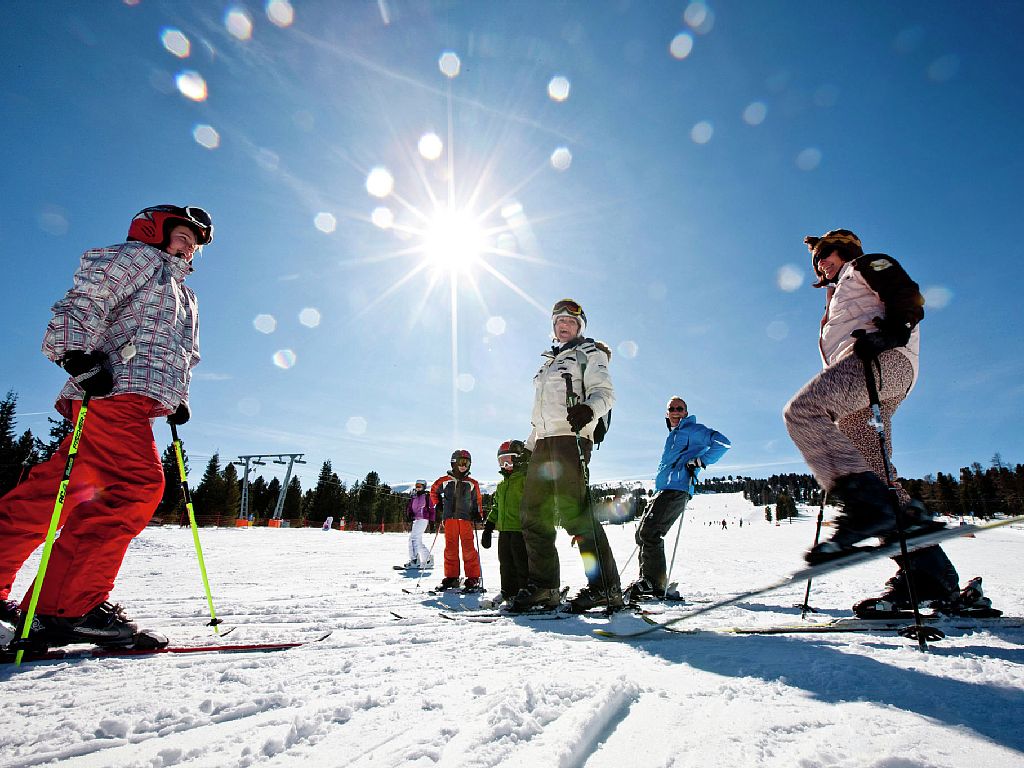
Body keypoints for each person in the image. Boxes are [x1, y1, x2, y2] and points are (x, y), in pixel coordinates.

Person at [0, 204, 213, 648]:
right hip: (112, 390)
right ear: (154, 229)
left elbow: (184, 355)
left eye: (194, 244)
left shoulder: (186, 296)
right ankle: (65, 607)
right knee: (133, 486)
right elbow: (86, 299)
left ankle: (47, 596)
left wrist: (179, 401)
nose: (188, 246)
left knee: (53, 492)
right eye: (182, 235)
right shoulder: (139, 260)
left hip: (130, 400)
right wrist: (73, 353)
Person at [783, 228, 995, 616]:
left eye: (825, 255)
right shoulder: (835, 297)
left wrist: (894, 331)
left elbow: (906, 293)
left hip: (881, 363)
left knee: (802, 413)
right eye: (816, 262)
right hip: (862, 381)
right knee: (877, 478)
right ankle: (930, 577)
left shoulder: (865, 265)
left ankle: (866, 508)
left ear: (842, 250)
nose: (821, 265)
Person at [510, 298, 619, 614]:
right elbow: (538, 417)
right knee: (533, 516)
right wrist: (528, 449)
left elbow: (605, 394)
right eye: (559, 321)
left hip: (571, 439)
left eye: (571, 321)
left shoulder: (589, 354)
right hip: (544, 444)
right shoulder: (546, 364)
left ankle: (605, 588)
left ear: (580, 326)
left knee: (576, 516)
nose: (564, 324)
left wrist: (589, 409)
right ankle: (544, 587)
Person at [624, 397, 730, 602]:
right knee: (642, 534)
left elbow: (723, 443)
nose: (675, 411)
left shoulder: (693, 429)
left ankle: (653, 584)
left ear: (686, 411)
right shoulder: (674, 435)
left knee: (651, 533)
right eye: (671, 408)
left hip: (677, 489)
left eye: (679, 408)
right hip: (664, 489)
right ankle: (648, 581)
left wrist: (701, 460)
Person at [481, 440, 530, 606]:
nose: (505, 465)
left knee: (521, 562)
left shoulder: (525, 480)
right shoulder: (502, 485)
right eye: (502, 461)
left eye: (509, 460)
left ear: (519, 459)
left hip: (520, 529)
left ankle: (524, 590)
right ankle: (507, 591)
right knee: (505, 562)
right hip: (505, 530)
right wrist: (488, 527)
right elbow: (496, 508)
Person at [430, 450, 484, 591]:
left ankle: (473, 577)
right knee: (450, 548)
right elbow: (433, 490)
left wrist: (478, 513)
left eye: (466, 463)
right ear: (454, 462)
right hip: (449, 519)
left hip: (465, 519)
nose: (463, 466)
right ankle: (452, 577)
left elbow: (477, 500)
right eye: (461, 462)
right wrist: (438, 504)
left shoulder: (472, 483)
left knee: (468, 548)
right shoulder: (445, 480)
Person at [402, 480, 435, 569]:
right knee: (417, 541)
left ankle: (414, 560)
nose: (418, 487)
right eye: (417, 486)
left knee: (413, 539)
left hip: (423, 519)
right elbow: (409, 507)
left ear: (424, 486)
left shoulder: (427, 496)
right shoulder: (414, 496)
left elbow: (432, 509)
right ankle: (428, 559)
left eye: (420, 486)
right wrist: (410, 514)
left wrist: (432, 522)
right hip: (416, 519)